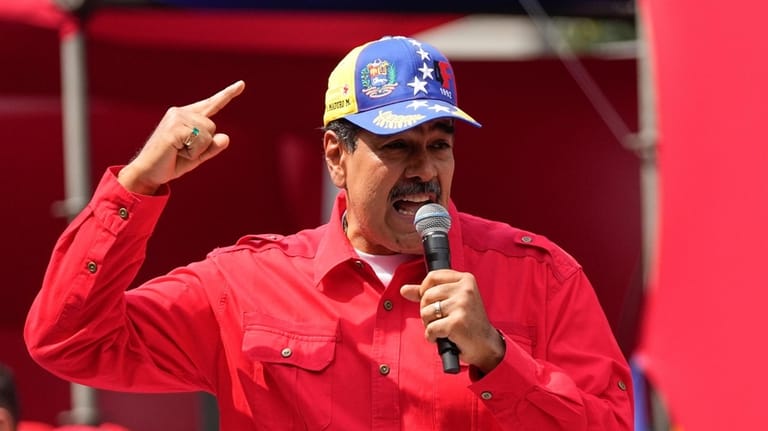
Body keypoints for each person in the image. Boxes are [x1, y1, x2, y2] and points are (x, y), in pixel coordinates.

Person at [25, 36, 633, 429]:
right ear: (335, 157)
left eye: (439, 146)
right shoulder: (245, 284)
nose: (424, 170)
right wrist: (137, 184)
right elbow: (67, 340)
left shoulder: (541, 276)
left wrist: (498, 358)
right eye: (396, 147)